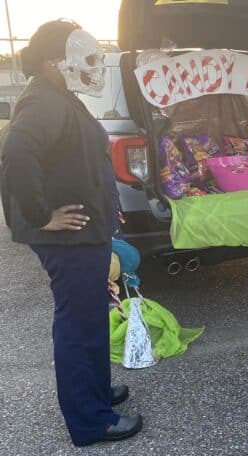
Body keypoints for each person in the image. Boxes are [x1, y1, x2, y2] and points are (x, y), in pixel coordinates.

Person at [1, 20, 142, 446]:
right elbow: (16, 155)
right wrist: (41, 216)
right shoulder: (42, 101)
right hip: (68, 238)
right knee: (79, 326)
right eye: (90, 58)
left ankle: (96, 393)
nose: (96, 66)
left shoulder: (59, 95)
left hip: (85, 234)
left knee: (89, 317)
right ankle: (90, 421)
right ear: (54, 61)